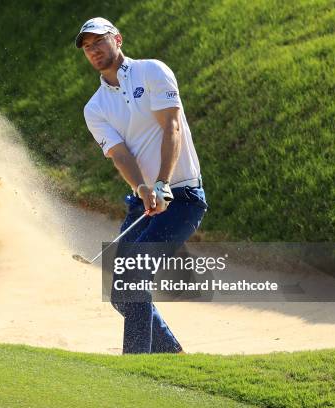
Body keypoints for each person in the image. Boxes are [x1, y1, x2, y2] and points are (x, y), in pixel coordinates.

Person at [76, 17, 208, 354]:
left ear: (117, 39)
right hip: (143, 204)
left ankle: (134, 365)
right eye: (88, 47)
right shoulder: (95, 108)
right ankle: (170, 356)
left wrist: (162, 183)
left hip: (183, 197)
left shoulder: (152, 71)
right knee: (121, 293)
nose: (94, 50)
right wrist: (143, 188)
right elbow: (120, 155)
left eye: (99, 42)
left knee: (133, 277)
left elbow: (171, 127)